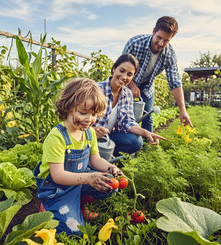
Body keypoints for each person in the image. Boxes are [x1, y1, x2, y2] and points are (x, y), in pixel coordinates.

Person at [33, 78, 124, 235]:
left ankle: (78, 204)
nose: (89, 119)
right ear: (68, 108)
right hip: (56, 190)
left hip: (78, 183)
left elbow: (95, 160)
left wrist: (111, 167)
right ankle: (48, 207)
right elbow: (58, 176)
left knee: (110, 184)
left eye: (94, 114)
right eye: (83, 113)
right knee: (75, 231)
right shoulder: (57, 137)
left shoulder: (89, 133)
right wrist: (89, 179)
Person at [123, 16, 193, 132]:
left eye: (166, 40)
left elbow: (175, 82)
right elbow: (121, 68)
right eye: (159, 37)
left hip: (147, 86)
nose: (161, 43)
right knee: (123, 113)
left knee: (148, 117)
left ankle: (147, 146)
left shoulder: (169, 54)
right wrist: (132, 85)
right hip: (127, 82)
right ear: (153, 31)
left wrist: (183, 110)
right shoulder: (135, 43)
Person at [93, 53, 166, 156]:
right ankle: (94, 156)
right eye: (122, 71)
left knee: (136, 141)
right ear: (114, 69)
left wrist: (146, 133)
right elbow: (79, 118)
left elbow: (128, 122)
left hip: (107, 136)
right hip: (89, 135)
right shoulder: (96, 89)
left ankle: (107, 157)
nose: (124, 77)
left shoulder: (127, 94)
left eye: (129, 74)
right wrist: (91, 130)